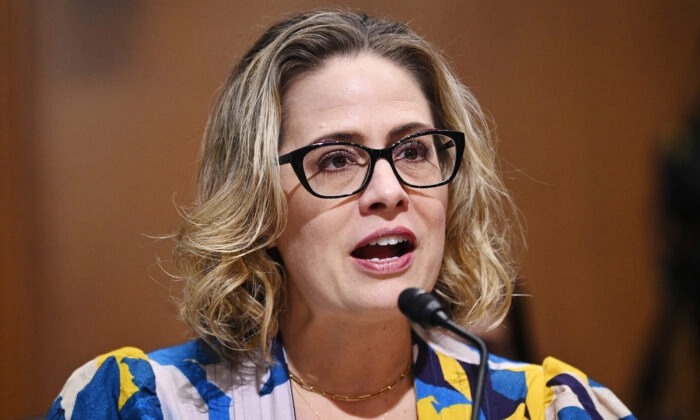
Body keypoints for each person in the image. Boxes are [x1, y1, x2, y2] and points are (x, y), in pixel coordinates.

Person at [48, 9, 636, 419]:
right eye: (335, 159)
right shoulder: (141, 405)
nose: (388, 189)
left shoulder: (552, 409)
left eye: (412, 150)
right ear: (259, 203)